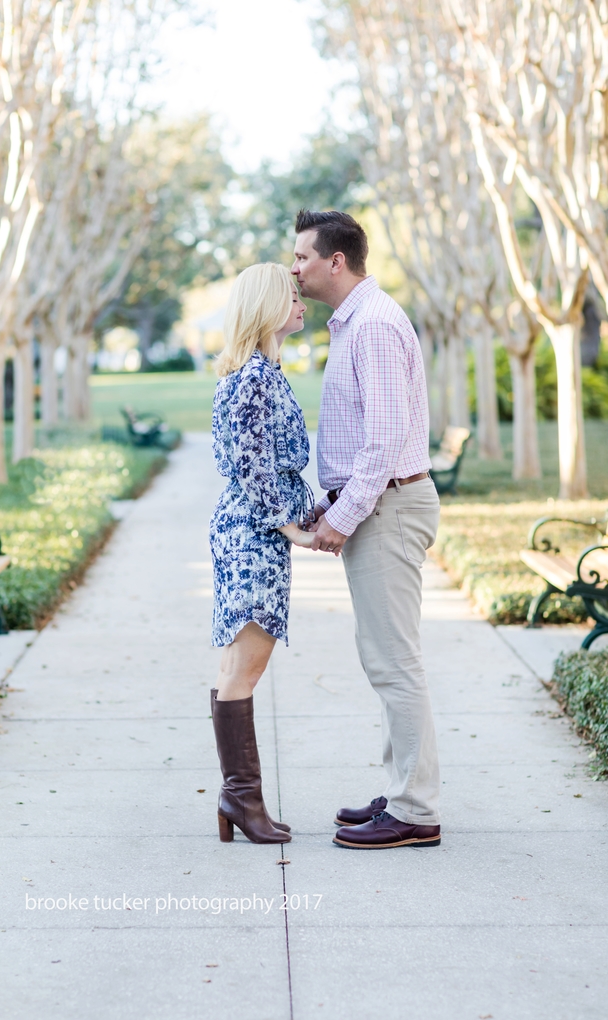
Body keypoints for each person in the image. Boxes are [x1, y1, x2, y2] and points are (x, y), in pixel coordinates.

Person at [292, 209, 442, 850]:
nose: (293, 267)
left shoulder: (374, 327)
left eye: (302, 256)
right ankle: (403, 788)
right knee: (386, 658)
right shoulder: (356, 323)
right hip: (378, 507)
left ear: (336, 261)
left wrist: (341, 521)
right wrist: (333, 509)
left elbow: (381, 445)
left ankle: (415, 810)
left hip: (389, 509)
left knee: (394, 662)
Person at [209, 262, 314, 845]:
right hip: (254, 535)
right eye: (293, 295)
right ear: (268, 306)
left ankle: (240, 799)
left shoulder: (262, 371)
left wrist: (305, 511)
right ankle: (240, 799)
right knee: (245, 669)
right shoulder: (254, 376)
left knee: (234, 668)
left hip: (247, 528)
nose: (303, 303)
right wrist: (288, 526)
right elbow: (253, 462)